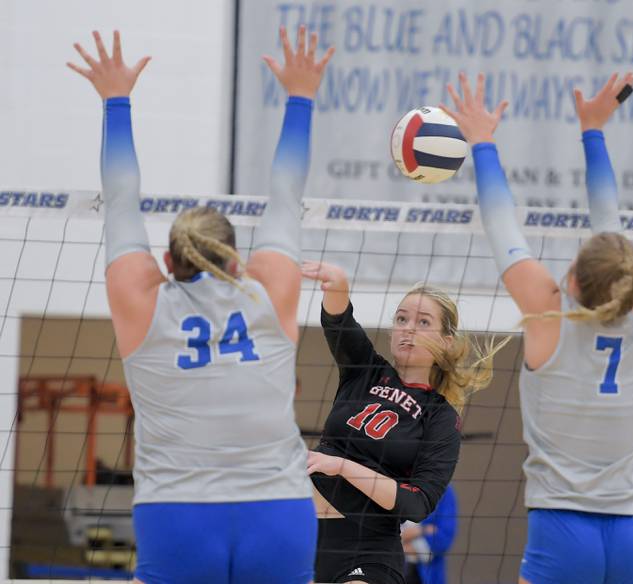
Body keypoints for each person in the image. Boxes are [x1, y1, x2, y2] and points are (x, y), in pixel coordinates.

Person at [67, 26, 333, 584]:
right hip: (277, 512)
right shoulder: (271, 291)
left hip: (177, 515)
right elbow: (287, 191)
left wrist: (116, 100)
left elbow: (119, 195)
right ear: (238, 261)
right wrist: (301, 96)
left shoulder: (140, 302)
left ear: (166, 262)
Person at [441, 71, 633, 584]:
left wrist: (482, 141)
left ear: (572, 277)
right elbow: (609, 219)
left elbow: (501, 223)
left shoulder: (548, 313)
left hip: (563, 526)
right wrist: (594, 130)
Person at [301, 261, 506, 584]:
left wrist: (342, 466)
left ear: (446, 341)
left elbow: (416, 503)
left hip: (365, 547)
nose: (408, 328)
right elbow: (338, 321)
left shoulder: (440, 417)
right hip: (299, 529)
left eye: (423, 322)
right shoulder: (364, 370)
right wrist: (337, 283)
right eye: (402, 318)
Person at [402, 483, 458, 584]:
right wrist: (422, 530)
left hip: (425, 575)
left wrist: (399, 545)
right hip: (388, 571)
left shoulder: (444, 490)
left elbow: (443, 537)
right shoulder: (389, 482)